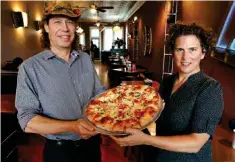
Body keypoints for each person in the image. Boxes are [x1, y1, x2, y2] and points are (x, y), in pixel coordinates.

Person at [111, 22, 224, 162]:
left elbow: (196, 143)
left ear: (203, 53)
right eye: (180, 50)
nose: (185, 57)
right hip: (158, 156)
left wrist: (145, 139)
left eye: (192, 49)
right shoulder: (167, 82)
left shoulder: (210, 89)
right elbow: (156, 117)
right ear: (172, 53)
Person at [15, 2, 105, 162]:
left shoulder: (85, 58)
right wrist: (73, 126)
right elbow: (27, 121)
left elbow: (99, 94)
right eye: (57, 22)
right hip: (60, 151)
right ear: (46, 27)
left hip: (93, 144)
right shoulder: (29, 68)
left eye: (70, 22)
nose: (65, 28)